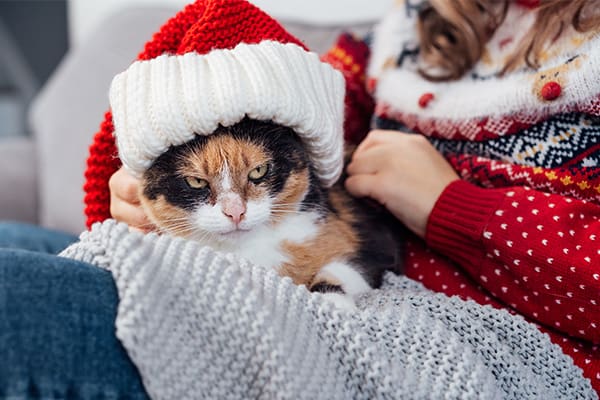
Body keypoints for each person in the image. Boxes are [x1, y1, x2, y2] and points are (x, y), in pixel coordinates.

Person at [1, 0, 598, 397]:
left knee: (16, 298)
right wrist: (137, 188)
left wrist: (454, 207)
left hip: (456, 335)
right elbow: (303, 119)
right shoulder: (413, 27)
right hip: (295, 264)